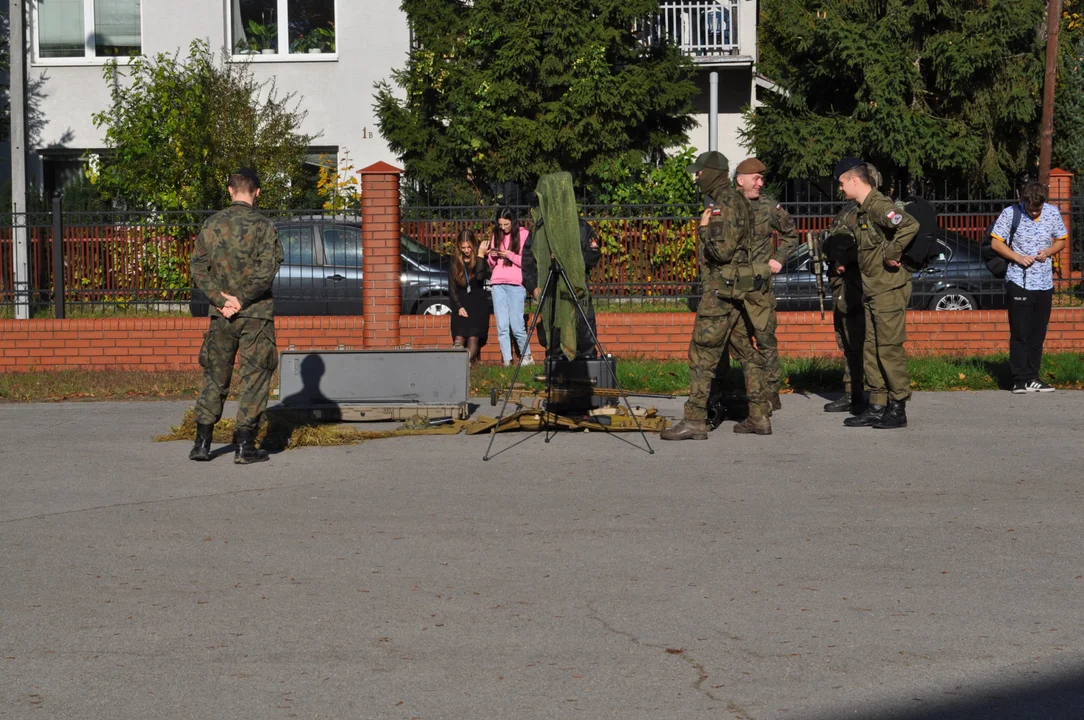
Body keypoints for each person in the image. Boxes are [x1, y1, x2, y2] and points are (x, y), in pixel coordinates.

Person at [661, 150, 771, 440]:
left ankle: (695, 420)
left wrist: (704, 229)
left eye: (700, 171)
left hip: (721, 288)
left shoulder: (723, 204)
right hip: (739, 285)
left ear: (712, 173)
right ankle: (759, 416)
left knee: (702, 352)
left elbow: (721, 251)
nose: (697, 177)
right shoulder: (741, 201)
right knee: (747, 352)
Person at [189, 167, 284, 463]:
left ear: (230, 191)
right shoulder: (265, 227)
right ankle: (245, 446)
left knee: (215, 376)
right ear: (257, 192)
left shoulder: (211, 225)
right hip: (256, 315)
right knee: (255, 377)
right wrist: (241, 299)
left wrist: (221, 300)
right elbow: (267, 270)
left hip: (221, 316)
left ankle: (202, 444)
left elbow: (197, 269)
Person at [835, 157, 918, 430]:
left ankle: (898, 407)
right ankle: (877, 405)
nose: (841, 189)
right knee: (871, 349)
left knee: (889, 350)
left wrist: (893, 253)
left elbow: (909, 225)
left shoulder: (879, 206)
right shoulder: (862, 211)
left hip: (889, 290)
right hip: (873, 290)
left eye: (842, 183)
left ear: (855, 180)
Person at [733, 157, 799, 411]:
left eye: (762, 178)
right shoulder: (728, 206)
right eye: (756, 178)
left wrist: (779, 258)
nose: (761, 183)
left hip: (759, 286)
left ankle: (771, 393)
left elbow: (791, 234)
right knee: (736, 339)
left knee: (765, 339)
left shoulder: (769, 207)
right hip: (734, 285)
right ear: (741, 180)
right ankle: (748, 388)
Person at [990, 181, 1068, 393]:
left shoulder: (1052, 213)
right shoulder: (1010, 213)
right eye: (1031, 207)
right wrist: (1017, 257)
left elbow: (1062, 240)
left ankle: (1033, 376)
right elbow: (996, 242)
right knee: (1020, 332)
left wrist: (1049, 251)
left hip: (1044, 282)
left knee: (1038, 333)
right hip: (1019, 280)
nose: (1034, 212)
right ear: (1023, 200)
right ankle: (1018, 379)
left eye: (1038, 208)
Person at [820, 163, 883, 415]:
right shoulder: (848, 213)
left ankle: (872, 393)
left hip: (860, 286)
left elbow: (872, 250)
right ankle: (852, 392)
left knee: (865, 341)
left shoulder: (873, 213)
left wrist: (847, 260)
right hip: (843, 287)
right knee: (846, 339)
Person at [523, 214, 602, 358]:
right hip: (551, 289)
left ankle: (586, 362)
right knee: (555, 332)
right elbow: (528, 260)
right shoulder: (541, 228)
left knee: (584, 329)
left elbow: (593, 255)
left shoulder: (581, 227)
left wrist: (570, 259)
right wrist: (533, 286)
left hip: (576, 288)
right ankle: (556, 366)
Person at [483, 207, 533, 366]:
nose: (503, 228)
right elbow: (491, 264)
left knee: (517, 324)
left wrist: (509, 255)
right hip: (498, 283)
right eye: (500, 225)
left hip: (515, 284)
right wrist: (491, 255)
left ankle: (527, 357)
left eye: (506, 224)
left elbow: (526, 262)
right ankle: (507, 360)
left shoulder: (523, 234)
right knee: (502, 325)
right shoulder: (496, 235)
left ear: (513, 221)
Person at [448, 229, 491, 364]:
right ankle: (456, 366)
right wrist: (458, 306)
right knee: (459, 338)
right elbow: (452, 287)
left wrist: (479, 256)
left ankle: (466, 366)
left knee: (473, 338)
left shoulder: (481, 258)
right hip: (461, 302)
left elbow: (479, 277)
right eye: (463, 248)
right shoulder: (455, 261)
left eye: (469, 247)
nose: (466, 250)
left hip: (477, 303)